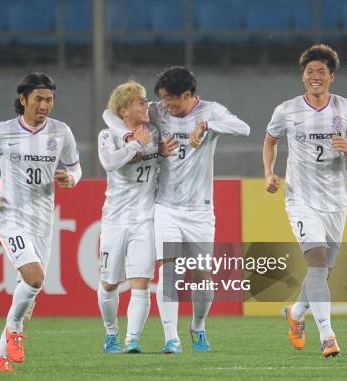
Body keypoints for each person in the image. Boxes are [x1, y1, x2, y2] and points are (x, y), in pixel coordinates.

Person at [104, 67, 250, 353]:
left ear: (187, 95)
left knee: (201, 275)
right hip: (166, 205)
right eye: (162, 99)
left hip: (200, 209)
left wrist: (206, 126)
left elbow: (243, 128)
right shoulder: (159, 112)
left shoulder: (211, 111)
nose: (165, 104)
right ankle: (172, 338)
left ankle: (198, 326)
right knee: (168, 270)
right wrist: (128, 138)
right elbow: (110, 115)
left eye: (171, 99)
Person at [263, 44, 347, 358]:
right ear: (303, 77)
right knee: (316, 262)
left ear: (332, 77)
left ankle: (296, 314)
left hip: (336, 200)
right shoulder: (286, 110)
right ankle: (328, 337)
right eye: (309, 71)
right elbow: (270, 140)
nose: (315, 76)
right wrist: (269, 173)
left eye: (321, 72)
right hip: (300, 199)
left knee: (322, 272)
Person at [0, 73, 82, 372]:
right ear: (23, 100)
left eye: (50, 100)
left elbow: (75, 167)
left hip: (44, 220)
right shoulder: (3, 132)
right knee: (34, 278)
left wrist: (71, 179)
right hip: (11, 217)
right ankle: (15, 331)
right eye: (39, 99)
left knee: (30, 292)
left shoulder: (61, 133)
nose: (45, 105)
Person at [97, 80, 175, 354]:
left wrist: (159, 151)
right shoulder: (108, 136)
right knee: (109, 284)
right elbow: (110, 162)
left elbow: (158, 147)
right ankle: (111, 333)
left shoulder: (153, 133)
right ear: (123, 110)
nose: (145, 104)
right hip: (115, 220)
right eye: (139, 101)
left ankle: (132, 339)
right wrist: (135, 146)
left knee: (140, 283)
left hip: (145, 219)